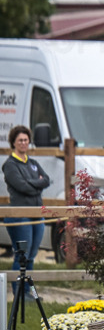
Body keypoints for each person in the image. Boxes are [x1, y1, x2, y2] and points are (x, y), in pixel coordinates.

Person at [3, 125, 51, 296]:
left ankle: (29, 293)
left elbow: (46, 180)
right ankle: (19, 294)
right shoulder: (10, 165)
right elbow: (21, 187)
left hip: (37, 215)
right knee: (21, 257)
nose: (23, 143)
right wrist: (37, 185)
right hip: (19, 216)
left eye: (25, 140)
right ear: (13, 143)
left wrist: (33, 184)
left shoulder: (33, 163)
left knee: (31, 256)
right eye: (20, 140)